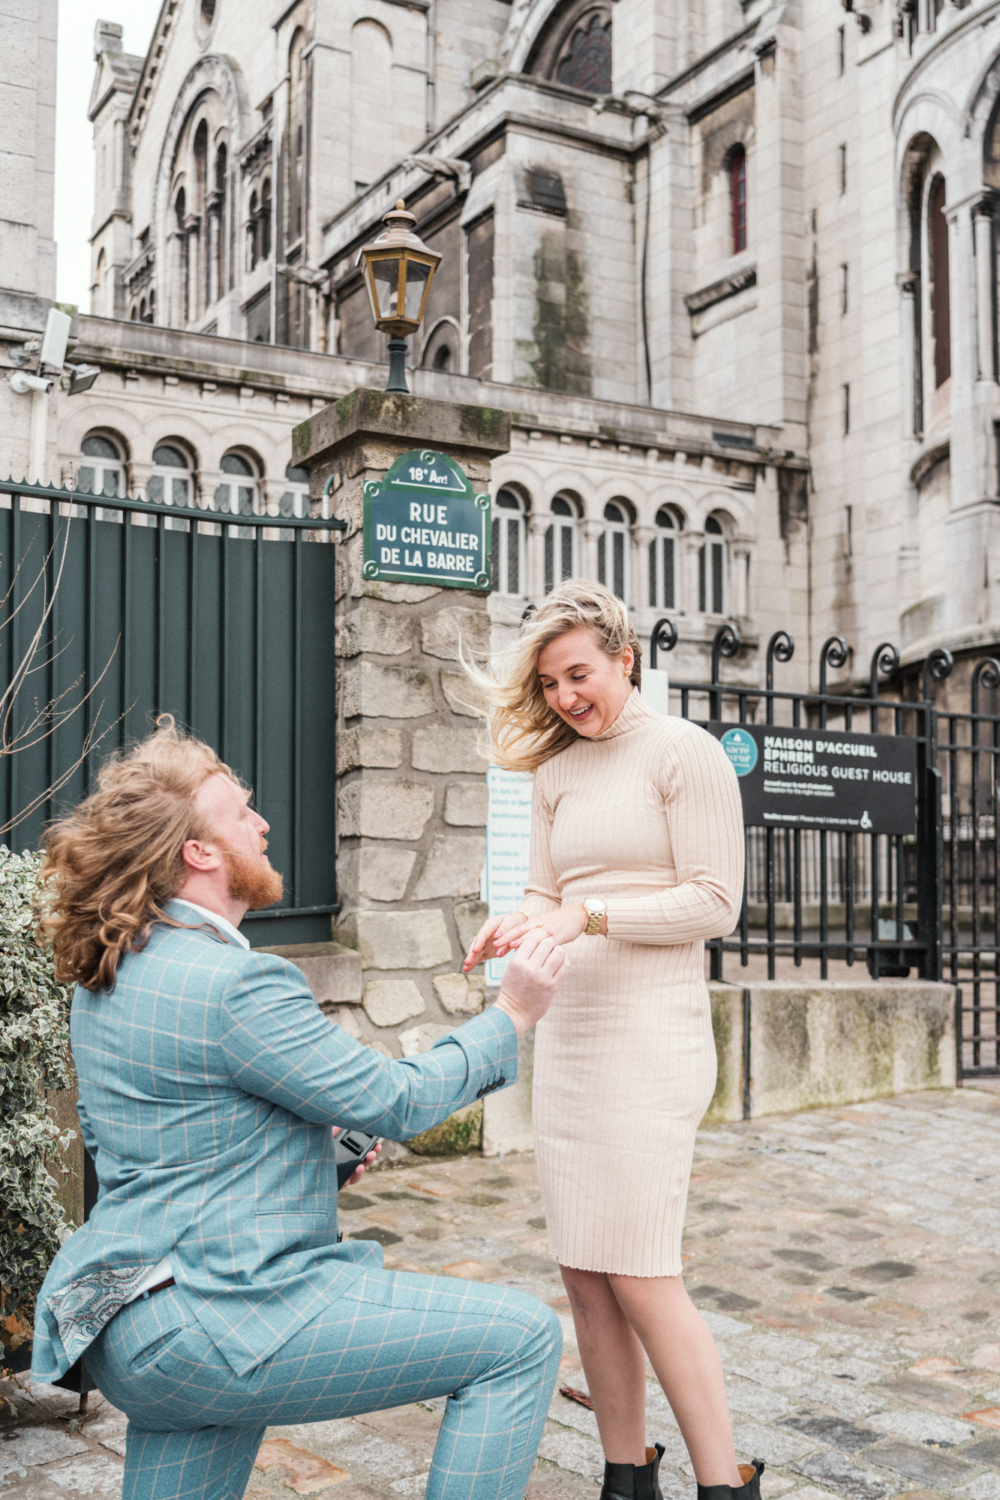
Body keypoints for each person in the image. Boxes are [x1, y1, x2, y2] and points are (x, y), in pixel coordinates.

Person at [31, 718, 570, 1500]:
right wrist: (514, 1014)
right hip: (223, 1317)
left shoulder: (115, 967)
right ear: (200, 852)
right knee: (520, 1339)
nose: (263, 823)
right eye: (240, 813)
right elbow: (400, 1100)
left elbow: (188, 1139)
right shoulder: (238, 985)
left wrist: (318, 1155)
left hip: (128, 1325)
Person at [463, 580, 763, 1500]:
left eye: (579, 675)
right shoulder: (553, 773)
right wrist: (515, 924)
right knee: (586, 1274)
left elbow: (715, 902)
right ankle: (625, 1477)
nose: (565, 698)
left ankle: (725, 1483)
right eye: (550, 683)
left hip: (652, 1036)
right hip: (573, 1038)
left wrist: (587, 914)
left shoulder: (686, 752)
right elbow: (549, 895)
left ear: (624, 660)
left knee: (641, 1271)